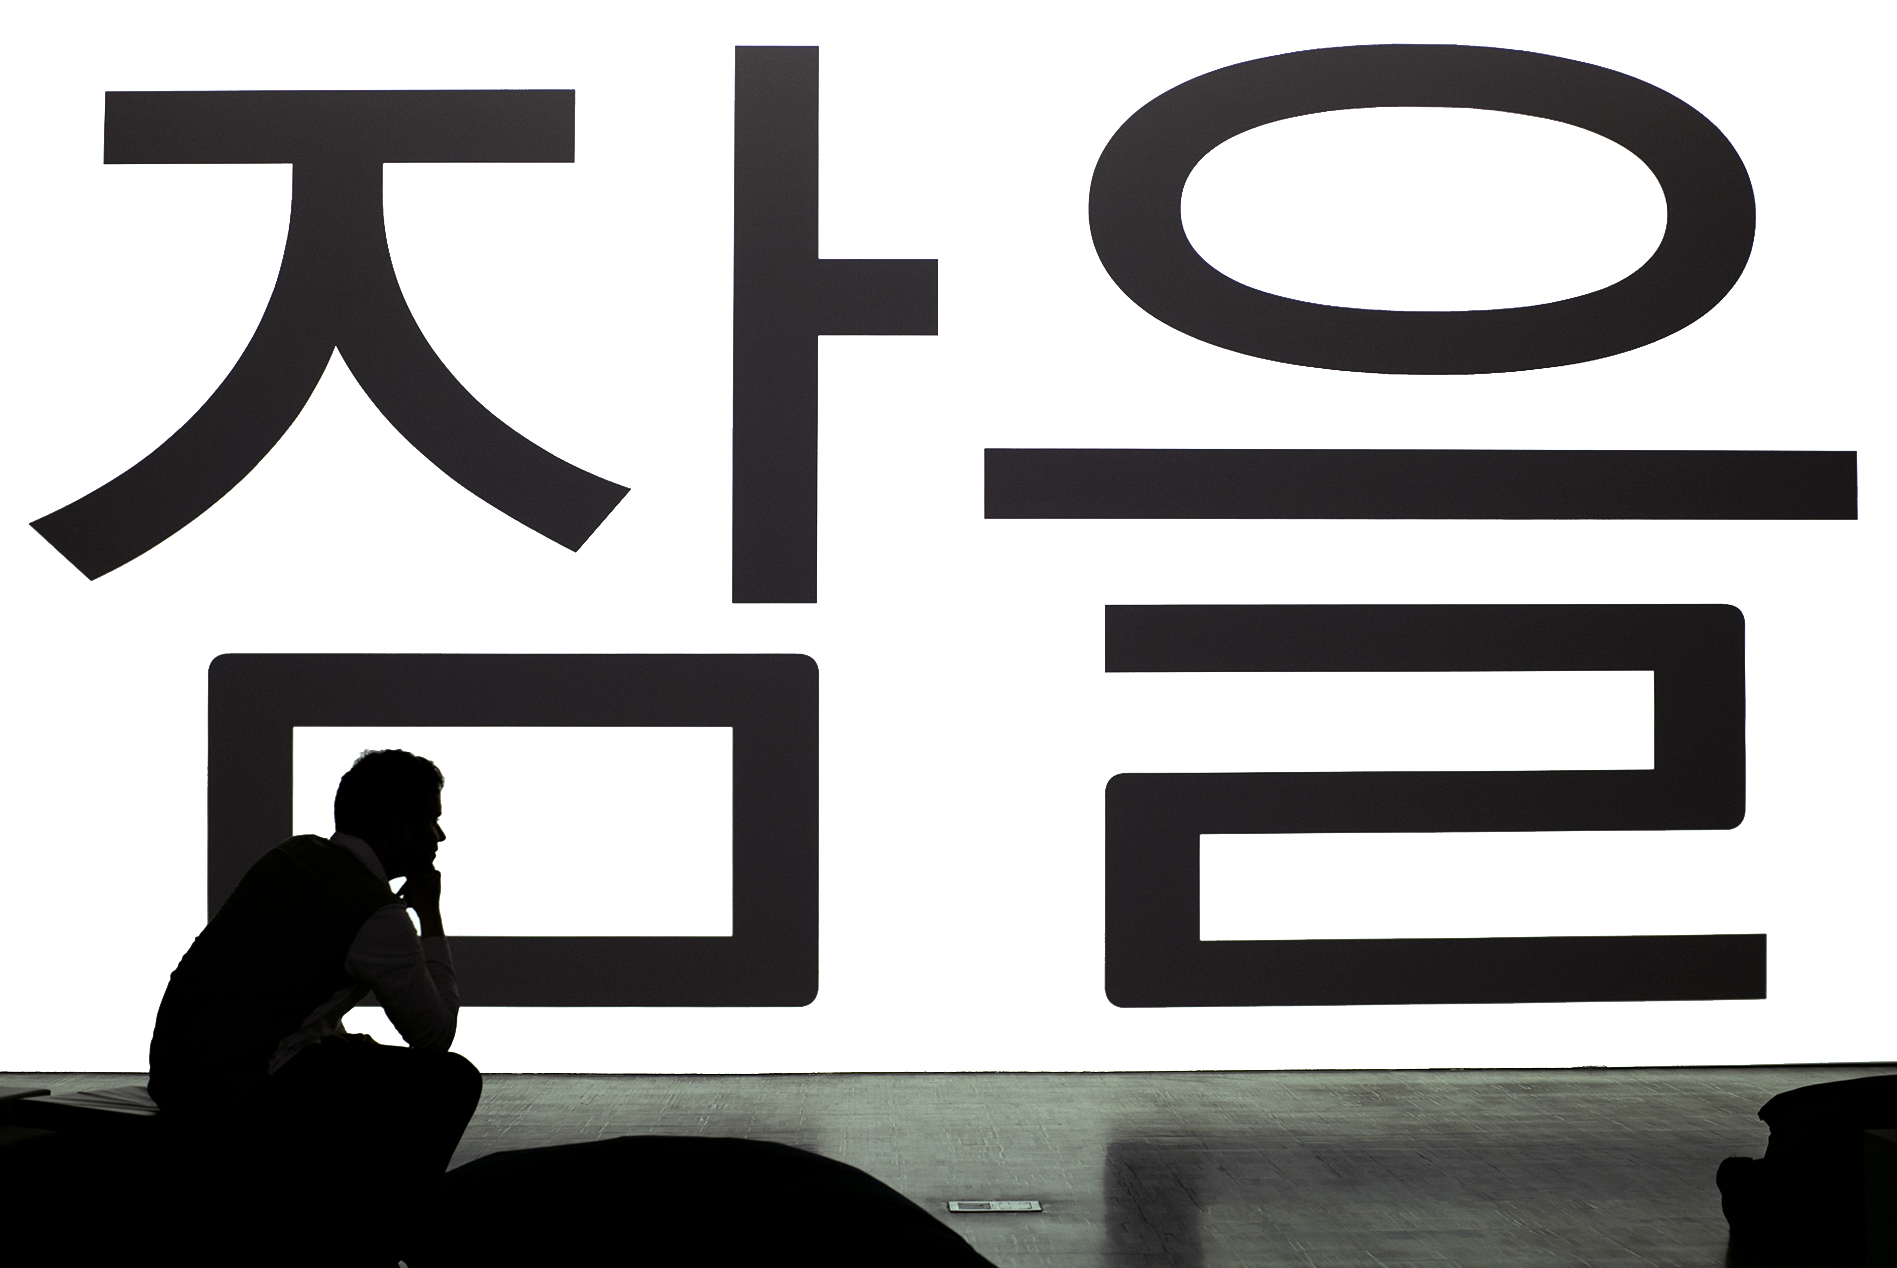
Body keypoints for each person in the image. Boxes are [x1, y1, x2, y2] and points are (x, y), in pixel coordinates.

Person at [149, 748, 482, 1264]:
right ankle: (386, 1237)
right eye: (431, 821)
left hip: (176, 1072)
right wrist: (431, 915)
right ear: (398, 831)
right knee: (452, 1079)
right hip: (237, 1089)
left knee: (356, 1060)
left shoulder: (292, 856)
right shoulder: (377, 916)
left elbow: (275, 989)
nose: (440, 837)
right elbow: (434, 1034)